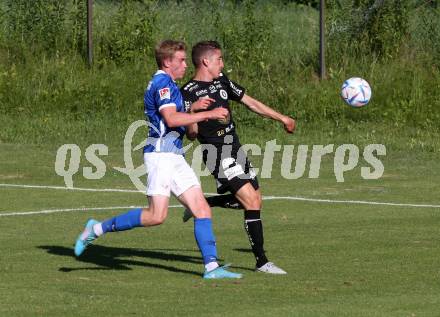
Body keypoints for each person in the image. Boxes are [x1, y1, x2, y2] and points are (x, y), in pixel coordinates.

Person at [74, 40, 242, 279]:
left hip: (174, 155)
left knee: (202, 209)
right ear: (167, 62)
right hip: (161, 156)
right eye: (181, 60)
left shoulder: (170, 84)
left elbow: (180, 118)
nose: (186, 65)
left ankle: (212, 268)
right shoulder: (163, 83)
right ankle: (96, 228)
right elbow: (171, 119)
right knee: (156, 216)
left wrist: (193, 109)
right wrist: (210, 114)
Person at [181, 40, 296, 274]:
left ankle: (206, 202)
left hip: (236, 149)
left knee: (255, 200)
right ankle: (262, 262)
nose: (222, 63)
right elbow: (191, 135)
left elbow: (250, 102)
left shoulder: (222, 81)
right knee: (251, 202)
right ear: (206, 61)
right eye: (219, 59)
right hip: (217, 154)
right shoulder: (187, 92)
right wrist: (193, 112)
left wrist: (282, 117)